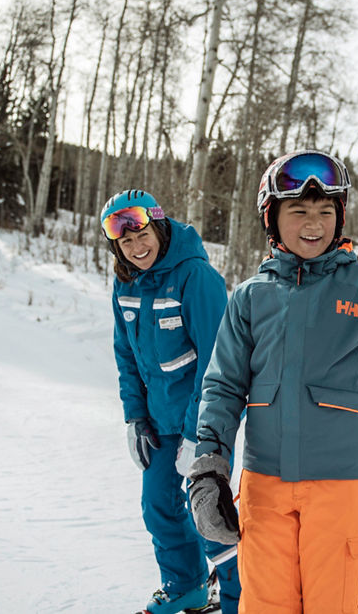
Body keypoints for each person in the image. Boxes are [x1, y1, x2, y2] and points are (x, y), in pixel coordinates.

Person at [185, 150, 358, 614]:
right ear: (271, 218)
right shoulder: (249, 298)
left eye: (325, 211)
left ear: (339, 218)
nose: (313, 222)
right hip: (265, 484)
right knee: (263, 606)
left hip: (341, 484)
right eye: (298, 210)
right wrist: (209, 467)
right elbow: (222, 386)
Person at [101, 189, 240, 614]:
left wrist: (196, 433)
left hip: (200, 423)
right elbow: (126, 356)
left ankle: (242, 599)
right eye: (125, 242)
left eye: (142, 235)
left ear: (159, 227)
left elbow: (218, 359)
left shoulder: (196, 276)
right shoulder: (125, 282)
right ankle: (187, 585)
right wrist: (134, 418)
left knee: (209, 515)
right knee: (159, 506)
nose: (137, 248)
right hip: (157, 422)